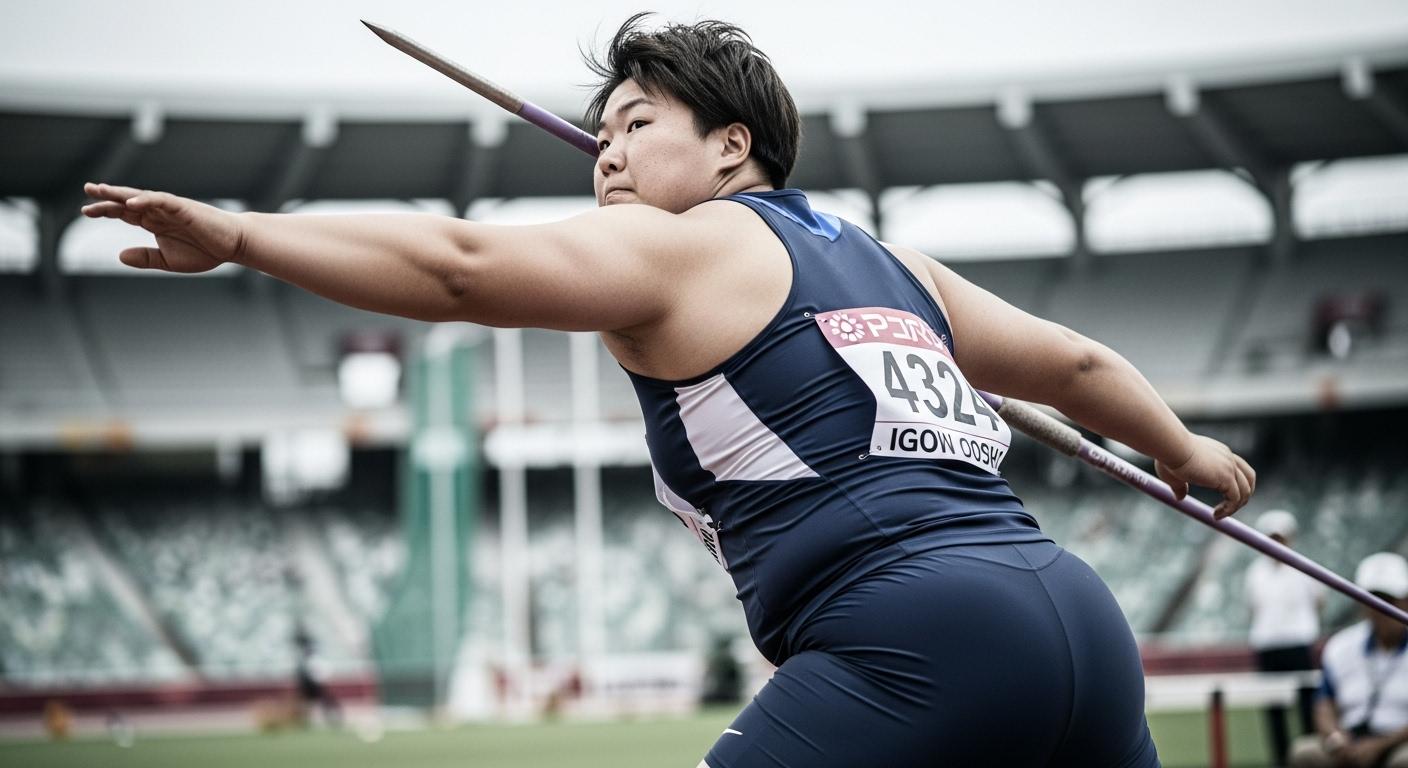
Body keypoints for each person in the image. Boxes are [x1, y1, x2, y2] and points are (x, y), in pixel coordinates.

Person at [81, 15, 1256, 767]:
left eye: (637, 124)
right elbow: (1078, 367)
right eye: (600, 133)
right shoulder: (900, 268)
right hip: (1078, 621)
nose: (606, 151)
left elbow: (460, 268)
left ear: (732, 148)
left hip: (914, 640)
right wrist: (1182, 449)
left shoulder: (684, 246)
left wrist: (243, 234)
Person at [1291, 552, 1408, 768]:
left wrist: (1380, 745)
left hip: (1399, 742)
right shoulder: (1341, 646)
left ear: (1406, 601)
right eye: (1372, 600)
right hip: (1350, 739)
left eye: (1388, 600)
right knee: (1305, 753)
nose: (1380, 609)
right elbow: (1324, 702)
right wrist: (1335, 737)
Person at [1248, 509, 1326, 766]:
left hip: (1297, 643)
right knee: (1274, 711)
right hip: (1268, 645)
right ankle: (1281, 760)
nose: (1276, 543)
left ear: (1289, 538)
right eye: (1271, 537)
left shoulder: (1303, 567)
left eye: (1279, 538)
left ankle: (1310, 758)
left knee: (1307, 707)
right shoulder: (1255, 572)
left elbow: (1319, 602)